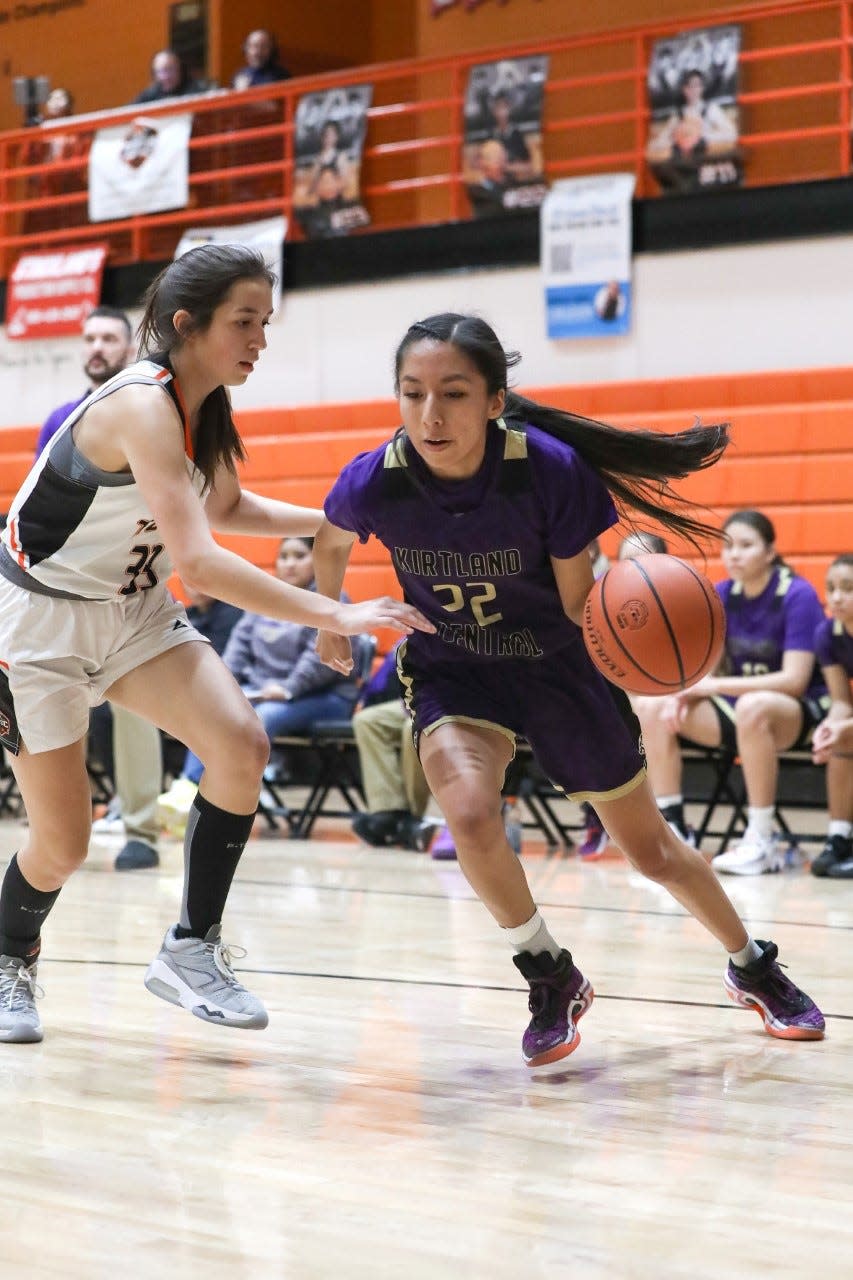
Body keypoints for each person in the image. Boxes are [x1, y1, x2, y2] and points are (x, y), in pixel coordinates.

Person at [311, 312, 824, 1067]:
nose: (429, 413)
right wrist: (332, 618)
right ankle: (549, 973)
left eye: (452, 393)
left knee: (648, 851)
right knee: (468, 811)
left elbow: (580, 606)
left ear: (493, 402)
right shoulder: (376, 478)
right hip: (454, 665)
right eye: (411, 392)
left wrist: (642, 639)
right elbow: (329, 538)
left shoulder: (546, 471)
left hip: (556, 660)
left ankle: (751, 964)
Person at [0, 243, 432, 1045]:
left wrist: (339, 520)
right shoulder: (139, 402)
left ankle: (190, 950)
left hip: (129, 611)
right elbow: (198, 563)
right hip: (37, 621)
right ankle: (8, 957)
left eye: (265, 322)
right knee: (62, 842)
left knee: (240, 742)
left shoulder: (203, 408)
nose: (260, 339)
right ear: (184, 324)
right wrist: (332, 615)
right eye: (245, 322)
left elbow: (227, 509)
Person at [635, 510, 828, 875]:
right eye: (727, 546)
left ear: (770, 552)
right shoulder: (722, 593)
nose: (734, 554)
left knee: (754, 707)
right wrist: (684, 693)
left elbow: (794, 680)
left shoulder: (797, 594)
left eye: (745, 545)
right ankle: (673, 830)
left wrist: (716, 686)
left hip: (798, 711)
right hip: (739, 710)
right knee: (652, 706)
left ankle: (761, 839)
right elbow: (709, 667)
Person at [157, 587, 244, 833]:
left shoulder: (234, 614)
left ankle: (188, 788)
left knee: (209, 710)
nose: (194, 585)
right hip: (188, 688)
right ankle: (129, 793)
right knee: (107, 714)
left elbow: (229, 665)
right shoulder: (186, 614)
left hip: (239, 690)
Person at [350, 641, 443, 853]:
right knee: (367, 721)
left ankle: (412, 815)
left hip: (453, 699)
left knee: (413, 726)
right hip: (418, 696)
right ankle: (389, 810)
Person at [35, 307, 136, 457]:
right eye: (89, 339)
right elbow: (40, 479)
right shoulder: (60, 419)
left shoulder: (144, 411)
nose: (97, 348)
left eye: (108, 339)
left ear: (130, 352)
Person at [810, 553, 853, 877]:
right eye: (831, 588)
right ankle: (839, 836)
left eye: (848, 588)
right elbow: (841, 700)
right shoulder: (827, 634)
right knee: (841, 734)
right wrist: (829, 727)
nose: (836, 596)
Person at [132, 50, 207, 104]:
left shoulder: (197, 91)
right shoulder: (150, 94)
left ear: (180, 69)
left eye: (170, 69)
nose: (166, 77)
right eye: (160, 72)